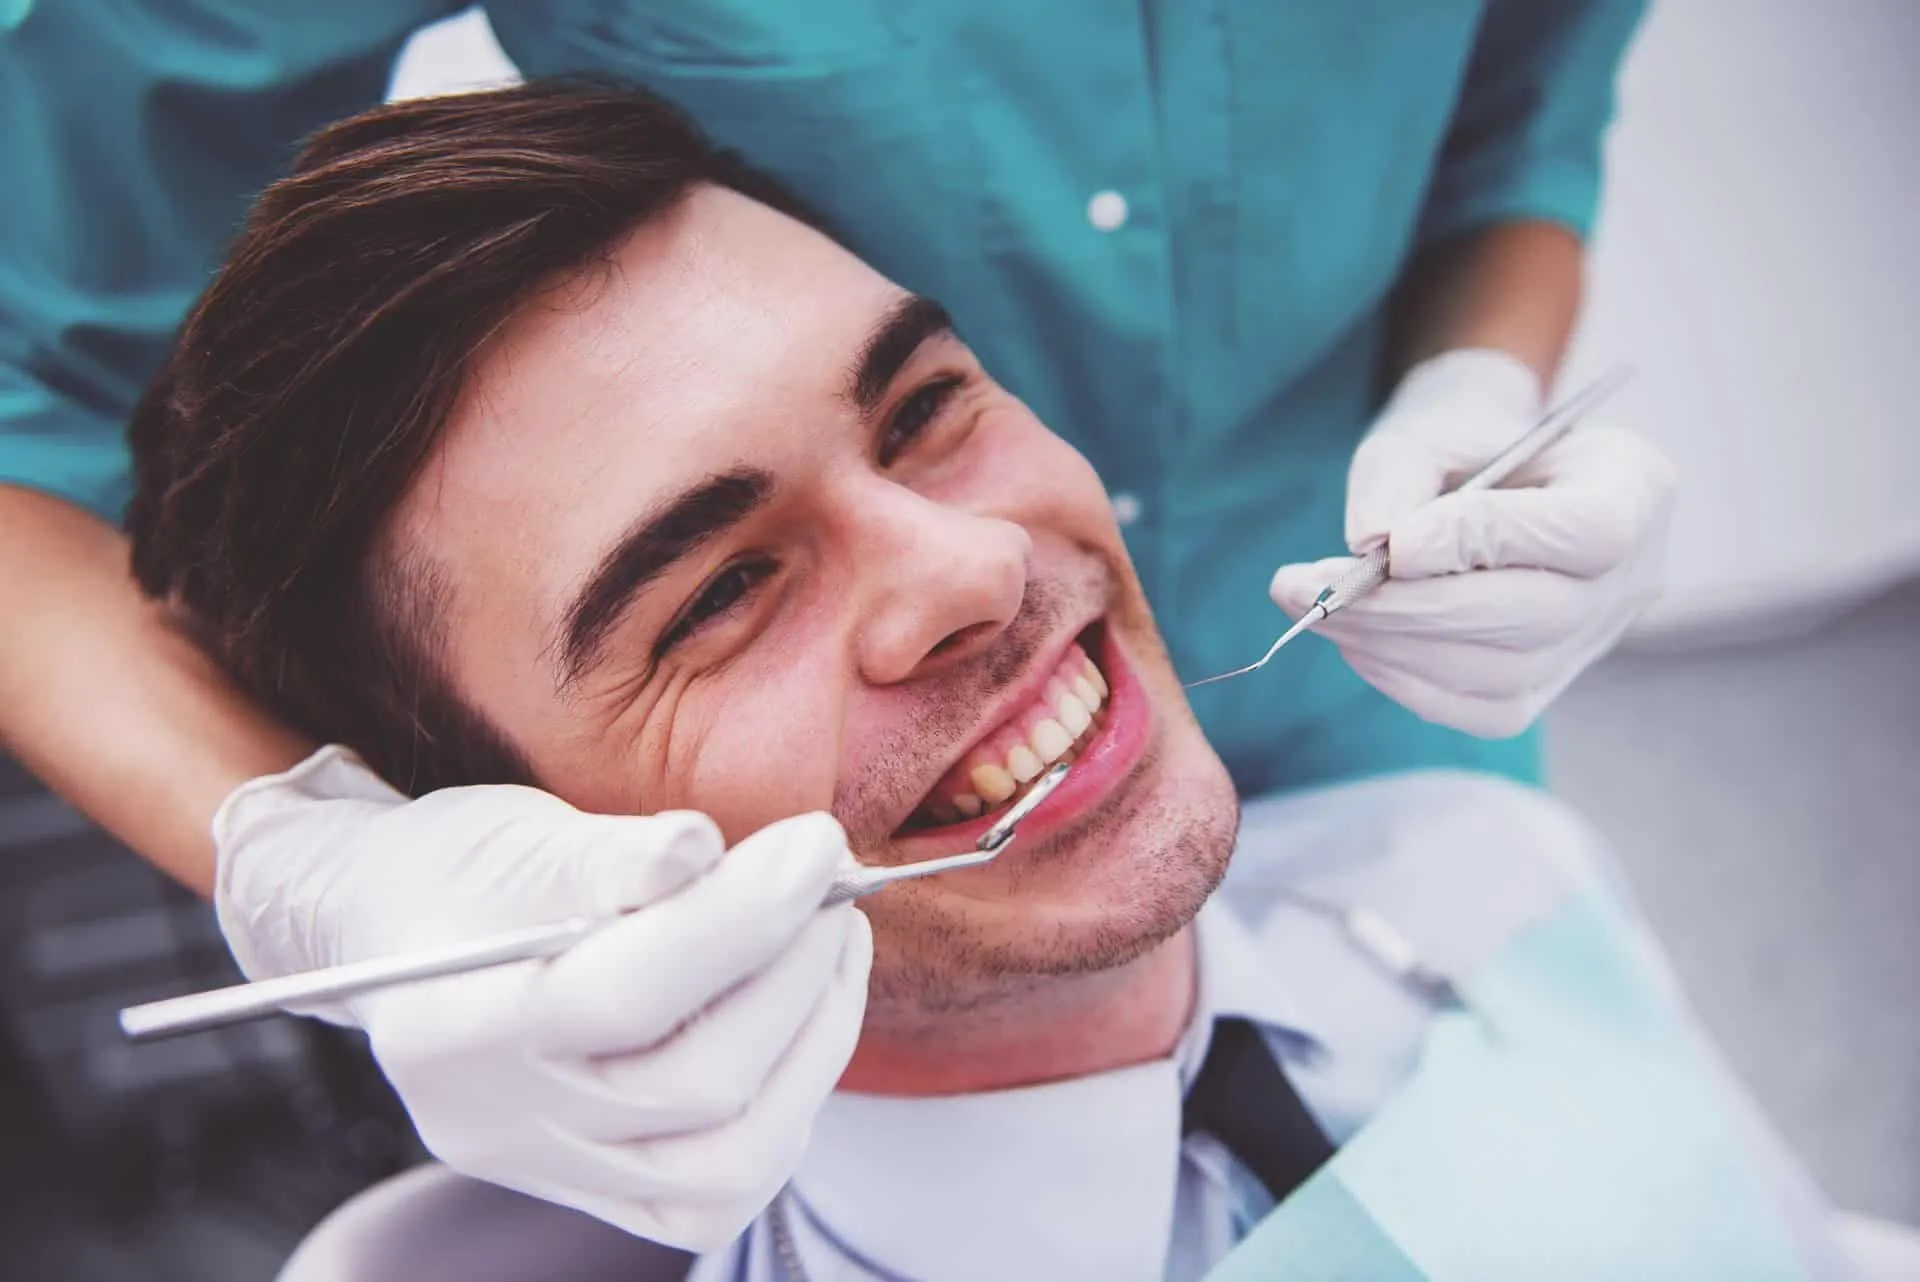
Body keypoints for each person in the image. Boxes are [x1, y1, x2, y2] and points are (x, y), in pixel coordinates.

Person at [0, 0, 1673, 1250]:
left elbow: (1528, 94)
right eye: (721, 587)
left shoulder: (1494, 887)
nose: (971, 571)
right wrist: (324, 862)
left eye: (928, 402)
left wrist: (1480, 379)